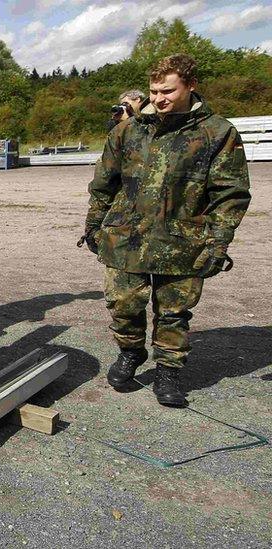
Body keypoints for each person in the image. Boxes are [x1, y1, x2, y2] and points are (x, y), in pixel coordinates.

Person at [81, 54, 250, 407]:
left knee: (174, 313)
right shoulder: (128, 130)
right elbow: (103, 183)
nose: (159, 99)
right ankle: (131, 352)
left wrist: (218, 243)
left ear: (191, 86)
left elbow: (230, 193)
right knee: (123, 305)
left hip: (183, 241)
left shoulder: (217, 132)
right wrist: (94, 224)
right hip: (126, 237)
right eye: (154, 91)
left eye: (168, 91)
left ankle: (168, 372)